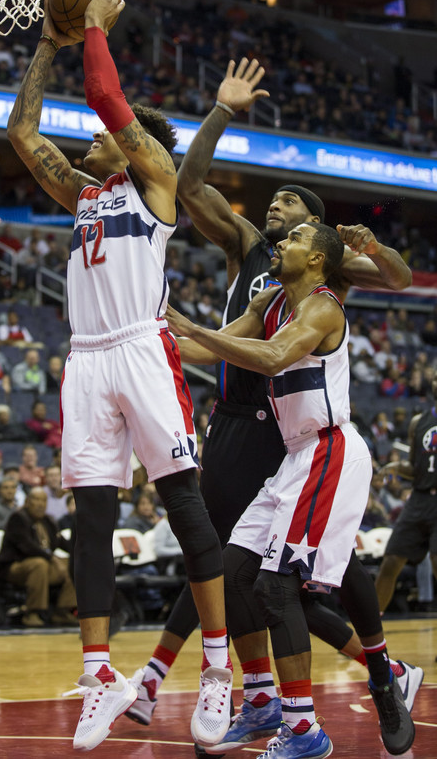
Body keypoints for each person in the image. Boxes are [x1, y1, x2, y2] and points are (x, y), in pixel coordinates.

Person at [128, 61, 421, 749]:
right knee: (237, 572)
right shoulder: (258, 266)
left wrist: (372, 246)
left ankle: (366, 676)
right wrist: (156, 339)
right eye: (274, 213)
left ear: (316, 240)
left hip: (303, 436)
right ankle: (278, 698)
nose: (273, 217)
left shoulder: (321, 291)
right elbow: (190, 186)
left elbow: (395, 281)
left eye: (288, 213)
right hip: (259, 433)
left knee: (297, 578)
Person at [6, 0, 236, 752]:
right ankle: (99, 675)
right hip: (86, 360)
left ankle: (213, 669)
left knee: (185, 508)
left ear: (137, 144)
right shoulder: (84, 194)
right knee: (91, 519)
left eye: (107, 136)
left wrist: (96, 25)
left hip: (141, 347)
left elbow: (108, 100)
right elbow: (21, 135)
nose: (92, 138)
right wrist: (46, 44)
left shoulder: (157, 187)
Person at [165, 221, 415, 758]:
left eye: (294, 237)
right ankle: (322, 696)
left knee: (279, 588)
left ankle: (308, 729)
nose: (280, 243)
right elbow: (222, 349)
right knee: (231, 574)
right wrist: (156, 341)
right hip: (295, 458)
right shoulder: (274, 300)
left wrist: (191, 326)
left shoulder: (323, 307)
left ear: (319, 259)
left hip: (329, 452)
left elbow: (274, 357)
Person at [374, 371, 437, 613]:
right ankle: (371, 637)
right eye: (435, 378)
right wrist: (396, 466)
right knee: (391, 561)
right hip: (419, 499)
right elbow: (415, 467)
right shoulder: (418, 422)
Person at [0, 486, 78, 628]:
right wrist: (52, 558)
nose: (40, 504)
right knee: (39, 564)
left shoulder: (49, 520)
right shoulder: (18, 518)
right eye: (36, 500)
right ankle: (32, 612)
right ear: (27, 501)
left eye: (44, 501)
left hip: (44, 564)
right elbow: (26, 546)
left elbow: (60, 542)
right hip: (15, 566)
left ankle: (63, 610)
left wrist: (80, 552)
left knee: (75, 563)